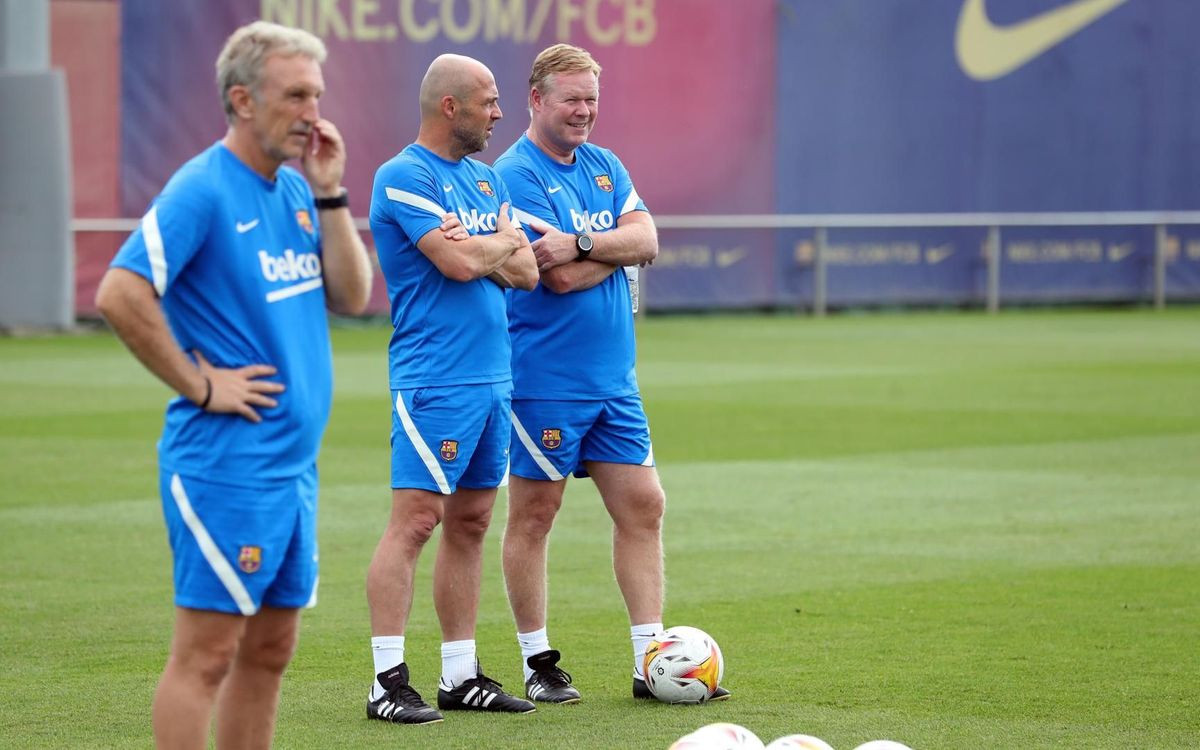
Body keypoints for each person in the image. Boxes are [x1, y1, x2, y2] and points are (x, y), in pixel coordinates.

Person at [93, 21, 372, 749]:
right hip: (227, 468)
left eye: (317, 93)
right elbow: (121, 293)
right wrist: (200, 384)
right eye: (296, 95)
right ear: (243, 100)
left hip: (293, 470)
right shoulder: (204, 189)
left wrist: (334, 194)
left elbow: (352, 295)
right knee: (207, 656)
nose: (314, 111)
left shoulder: (293, 190)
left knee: (272, 651)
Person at [492, 44, 731, 703]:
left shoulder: (605, 166)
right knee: (536, 514)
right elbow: (557, 275)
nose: (584, 111)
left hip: (614, 383)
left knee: (645, 506)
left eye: (592, 99)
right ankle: (539, 665)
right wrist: (604, 251)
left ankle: (649, 664)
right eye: (571, 98)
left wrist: (589, 241)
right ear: (537, 100)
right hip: (543, 379)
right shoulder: (514, 174)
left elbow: (647, 241)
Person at [364, 53, 540, 725]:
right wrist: (489, 246)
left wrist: (490, 245)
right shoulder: (403, 175)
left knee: (471, 522)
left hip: (496, 378)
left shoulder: (486, 178)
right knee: (414, 522)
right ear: (450, 107)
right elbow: (459, 261)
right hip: (435, 378)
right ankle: (386, 680)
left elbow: (522, 271)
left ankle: (460, 675)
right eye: (489, 102)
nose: (499, 114)